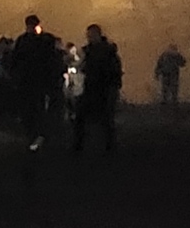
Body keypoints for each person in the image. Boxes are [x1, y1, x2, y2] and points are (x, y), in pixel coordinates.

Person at [10, 15, 64, 152]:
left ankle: (33, 134)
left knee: (31, 109)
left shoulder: (23, 41)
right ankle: (38, 135)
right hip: (37, 81)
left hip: (28, 81)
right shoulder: (45, 40)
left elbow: (14, 60)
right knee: (37, 108)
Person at [73, 25, 122, 152]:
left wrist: (114, 86)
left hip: (104, 88)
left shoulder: (107, 51)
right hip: (92, 87)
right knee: (81, 116)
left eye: (91, 35)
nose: (89, 38)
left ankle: (109, 146)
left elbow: (114, 70)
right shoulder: (91, 51)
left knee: (106, 119)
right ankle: (79, 145)